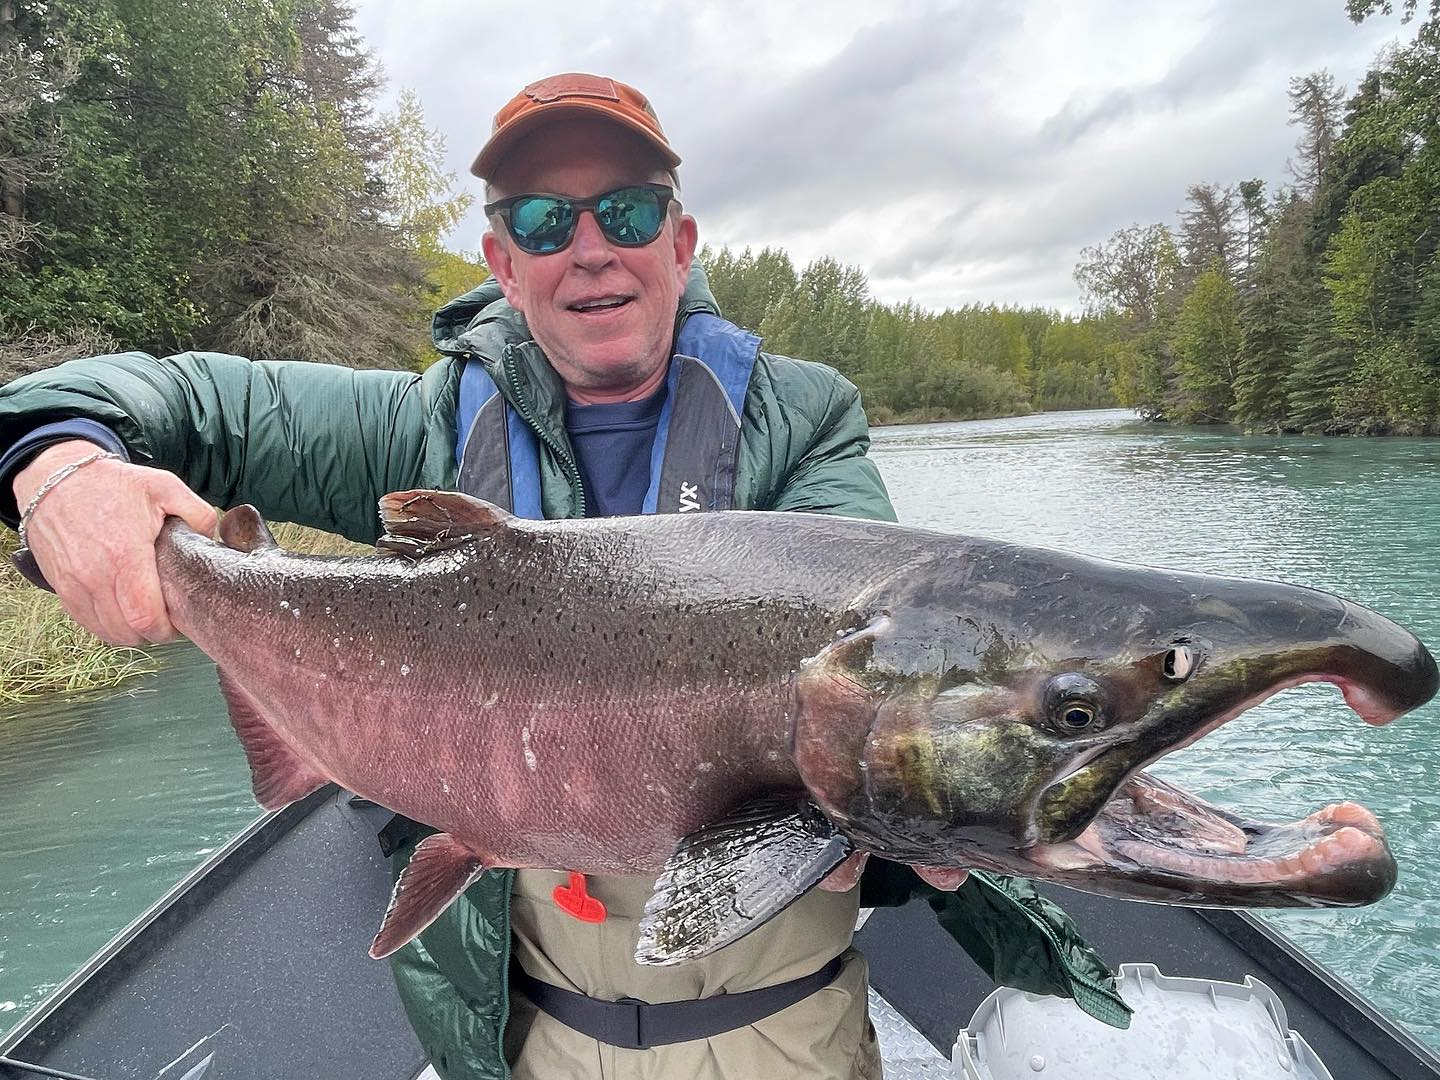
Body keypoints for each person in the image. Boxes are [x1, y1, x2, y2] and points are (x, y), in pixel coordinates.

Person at [0, 73, 1125, 1080]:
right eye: (545, 220)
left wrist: (909, 827)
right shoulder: (424, 420)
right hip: (519, 1025)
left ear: (680, 243)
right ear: (503, 262)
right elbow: (181, 399)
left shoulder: (801, 418)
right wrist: (58, 466)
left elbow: (883, 657)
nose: (590, 245)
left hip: (779, 1026)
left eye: (627, 211)